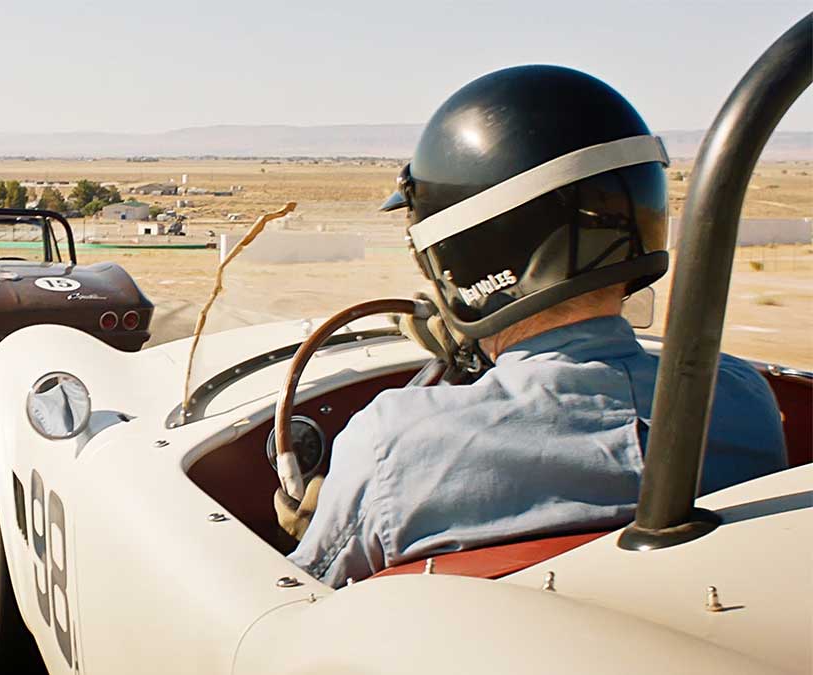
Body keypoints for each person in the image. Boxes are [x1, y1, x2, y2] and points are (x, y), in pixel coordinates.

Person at [278, 65, 788, 589]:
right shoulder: (741, 400)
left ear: (463, 255)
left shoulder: (393, 446)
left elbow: (305, 599)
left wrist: (313, 527)